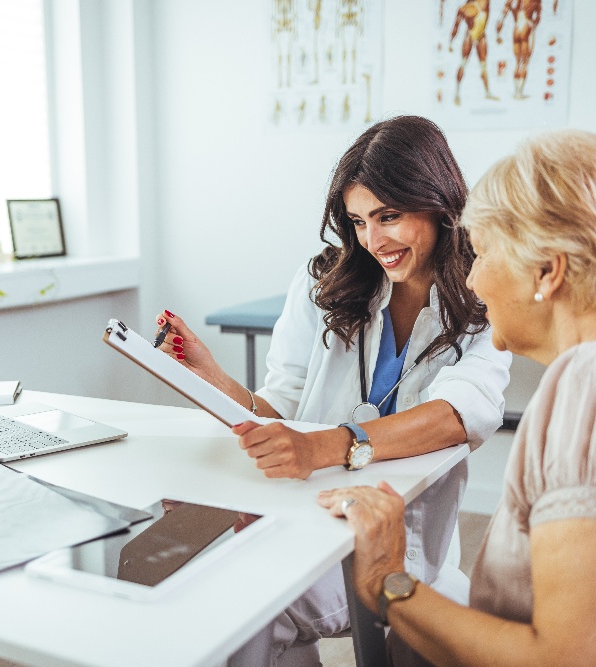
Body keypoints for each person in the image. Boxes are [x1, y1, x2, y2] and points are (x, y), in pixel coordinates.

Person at [318, 129, 596, 665]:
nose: (474, 280)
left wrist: (389, 583)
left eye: (482, 255)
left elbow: (577, 658)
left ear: (547, 271)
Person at [153, 115, 512, 664]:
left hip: (401, 539)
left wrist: (323, 447)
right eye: (359, 221)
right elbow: (280, 407)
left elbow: (462, 414)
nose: (374, 240)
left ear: (439, 204)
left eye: (390, 216)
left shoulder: (482, 290)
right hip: (305, 516)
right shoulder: (324, 282)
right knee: (213, 586)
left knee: (252, 603)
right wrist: (212, 380)